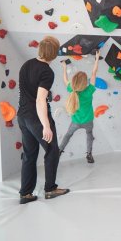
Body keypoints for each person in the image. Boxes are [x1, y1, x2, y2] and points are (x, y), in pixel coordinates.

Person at [17, 36, 69, 204]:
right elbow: (39, 100)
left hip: (23, 116)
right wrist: (46, 126)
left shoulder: (26, 65)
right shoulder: (47, 71)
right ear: (53, 54)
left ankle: (25, 194)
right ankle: (50, 189)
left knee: (29, 155)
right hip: (36, 118)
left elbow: (29, 91)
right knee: (52, 150)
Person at [59, 50, 100, 163]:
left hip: (75, 122)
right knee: (89, 135)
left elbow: (65, 79)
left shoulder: (71, 90)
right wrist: (97, 58)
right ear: (85, 83)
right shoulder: (89, 91)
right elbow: (94, 73)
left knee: (68, 135)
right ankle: (89, 155)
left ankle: (59, 151)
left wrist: (64, 67)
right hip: (88, 121)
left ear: (74, 82)